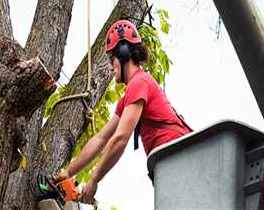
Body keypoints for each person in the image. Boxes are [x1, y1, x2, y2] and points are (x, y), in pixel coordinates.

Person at [54, 20, 192, 204]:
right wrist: (68, 172)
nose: (111, 67)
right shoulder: (130, 96)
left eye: (112, 59)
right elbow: (100, 139)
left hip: (184, 159)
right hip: (172, 164)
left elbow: (120, 139)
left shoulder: (139, 83)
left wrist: (94, 179)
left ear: (124, 53)